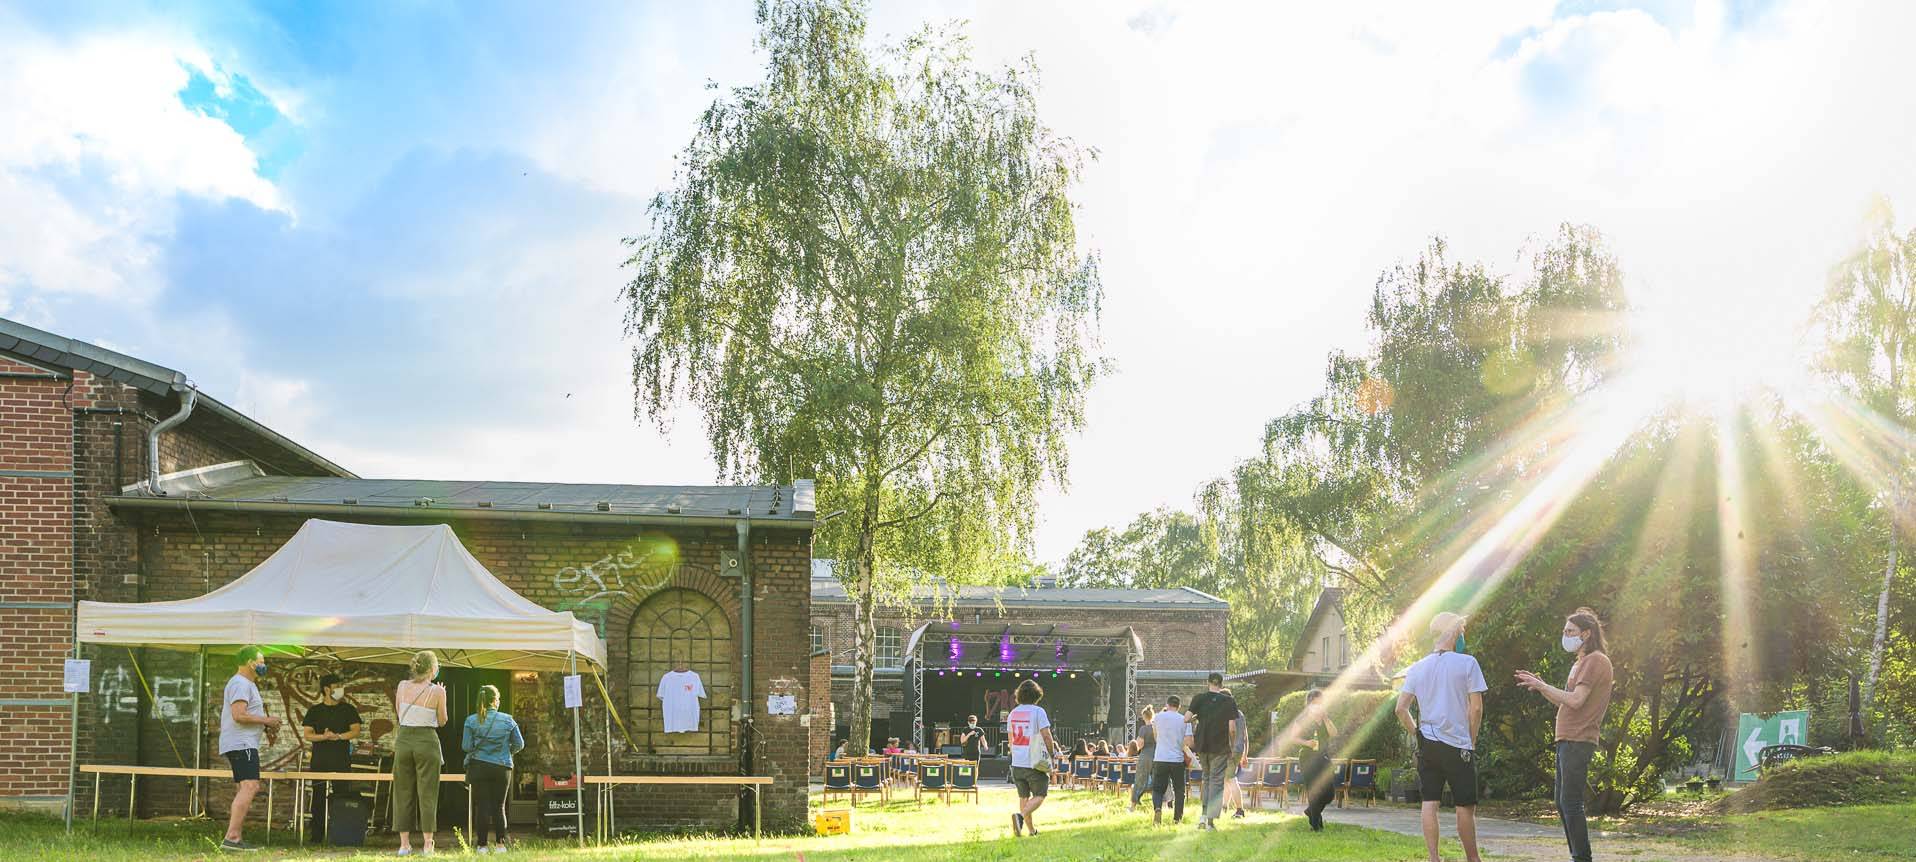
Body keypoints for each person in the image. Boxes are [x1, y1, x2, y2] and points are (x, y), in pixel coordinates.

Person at [1515, 607, 1615, 862]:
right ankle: (1577, 855)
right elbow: (1565, 702)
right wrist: (1540, 687)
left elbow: (1578, 700)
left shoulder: (1596, 660)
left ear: (1586, 633)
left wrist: (1542, 685)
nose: (1565, 635)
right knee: (1563, 803)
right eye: (1564, 631)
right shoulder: (1580, 662)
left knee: (1570, 802)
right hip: (1567, 739)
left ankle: (1582, 858)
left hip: (1579, 739)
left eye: (1570, 631)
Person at [1395, 611, 1487, 862]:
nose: (1463, 636)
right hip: (1458, 743)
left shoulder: (1417, 667)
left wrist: (1418, 733)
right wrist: (1471, 740)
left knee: (1430, 801)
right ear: (1455, 632)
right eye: (1462, 631)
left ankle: (1433, 858)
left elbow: (1401, 709)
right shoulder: (1468, 663)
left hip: (1428, 744)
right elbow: (1476, 708)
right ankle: (1473, 859)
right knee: (1464, 805)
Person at [219, 646, 282, 852]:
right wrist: (267, 720)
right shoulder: (240, 683)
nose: (264, 665)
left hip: (242, 742)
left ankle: (235, 838)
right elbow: (238, 715)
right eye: (261, 661)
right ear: (250, 663)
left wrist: (265, 726)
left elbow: (244, 716)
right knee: (250, 786)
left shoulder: (247, 684)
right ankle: (232, 837)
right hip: (241, 743)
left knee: (243, 787)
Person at [392, 650, 449, 856]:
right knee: (428, 793)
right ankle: (427, 844)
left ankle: (404, 845)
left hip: (404, 739)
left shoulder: (402, 686)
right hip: (427, 741)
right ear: (432, 669)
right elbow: (442, 721)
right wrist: (441, 696)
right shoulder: (437, 691)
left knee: (403, 792)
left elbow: (399, 714)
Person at [299, 673, 362, 843]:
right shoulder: (315, 711)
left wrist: (339, 737)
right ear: (327, 689)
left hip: (341, 760)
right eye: (337, 686)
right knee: (318, 797)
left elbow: (356, 730)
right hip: (320, 760)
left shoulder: (348, 709)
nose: (340, 690)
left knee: (342, 796)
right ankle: (317, 835)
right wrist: (324, 737)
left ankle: (341, 833)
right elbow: (308, 735)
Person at [462, 684, 525, 855]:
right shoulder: (508, 720)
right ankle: (500, 845)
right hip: (502, 767)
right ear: (496, 701)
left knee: (482, 806)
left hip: (479, 766)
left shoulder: (471, 720)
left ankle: (482, 846)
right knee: (499, 806)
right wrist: (506, 752)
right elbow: (520, 744)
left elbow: (466, 746)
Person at [1006, 679, 1062, 837]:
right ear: (1037, 695)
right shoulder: (1038, 712)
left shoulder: (1012, 713)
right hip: (1034, 761)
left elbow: (1011, 740)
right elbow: (1047, 735)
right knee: (1040, 795)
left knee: (1023, 796)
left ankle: (1030, 831)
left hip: (1017, 762)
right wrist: (1052, 754)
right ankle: (1020, 817)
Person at [1186, 672, 1240, 830]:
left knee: (1207, 778)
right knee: (1216, 781)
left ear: (1208, 682)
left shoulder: (1199, 698)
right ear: (1221, 684)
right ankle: (1210, 820)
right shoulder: (1228, 701)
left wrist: (1199, 715)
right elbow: (1232, 728)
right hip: (1220, 746)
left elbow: (1186, 718)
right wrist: (1231, 743)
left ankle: (1203, 815)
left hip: (1202, 744)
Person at [1287, 689, 1340, 830]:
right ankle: (1315, 825)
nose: (1318, 705)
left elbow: (1334, 733)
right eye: (1315, 702)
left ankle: (1311, 811)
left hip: (1323, 757)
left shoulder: (1324, 718)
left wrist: (1326, 718)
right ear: (1309, 704)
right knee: (1313, 790)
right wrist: (1306, 743)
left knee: (1329, 793)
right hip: (1307, 758)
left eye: (1320, 702)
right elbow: (1292, 737)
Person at [1148, 695, 1191, 825]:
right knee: (1179, 790)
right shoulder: (1184, 720)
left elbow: (1156, 737)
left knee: (1157, 789)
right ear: (1179, 706)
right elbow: (1189, 742)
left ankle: (1158, 808)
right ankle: (1177, 818)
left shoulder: (1157, 717)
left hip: (1160, 757)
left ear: (1167, 704)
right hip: (1177, 759)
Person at [1226, 690, 1251, 819]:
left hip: (1230, 750)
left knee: (1231, 779)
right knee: (1227, 779)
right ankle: (1224, 807)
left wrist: (1230, 747)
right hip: (1239, 750)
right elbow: (1245, 735)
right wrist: (1245, 754)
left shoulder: (1228, 712)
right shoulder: (1240, 713)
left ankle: (1240, 810)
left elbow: (1232, 730)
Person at [1130, 704, 1156, 810]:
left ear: (1144, 717)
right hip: (1157, 755)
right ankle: (1162, 804)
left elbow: (1140, 745)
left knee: (1140, 779)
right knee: (1157, 779)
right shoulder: (1156, 728)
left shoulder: (1143, 729)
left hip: (1145, 755)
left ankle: (1133, 806)